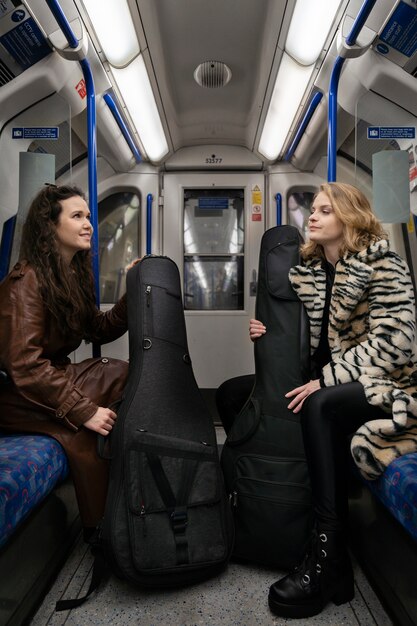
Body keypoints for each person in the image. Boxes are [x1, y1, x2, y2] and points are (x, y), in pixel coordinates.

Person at [216, 182, 417, 618]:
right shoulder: (308, 269)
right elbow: (306, 343)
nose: (313, 216)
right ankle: (267, 500)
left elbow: (398, 344)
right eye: (314, 209)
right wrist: (268, 336)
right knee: (233, 394)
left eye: (325, 210)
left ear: (349, 216)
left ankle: (328, 556)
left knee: (319, 405)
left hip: (385, 385)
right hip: (324, 379)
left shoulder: (383, 263)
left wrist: (325, 380)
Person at [0, 184, 130, 539]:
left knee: (125, 373)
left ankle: (128, 504)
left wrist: (131, 294)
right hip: (17, 395)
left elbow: (98, 329)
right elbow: (25, 366)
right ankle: (101, 529)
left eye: (88, 216)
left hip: (46, 380)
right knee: (86, 431)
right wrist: (83, 410)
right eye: (77, 216)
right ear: (50, 227)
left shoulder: (72, 276)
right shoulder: (25, 282)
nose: (88, 223)